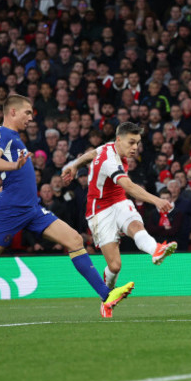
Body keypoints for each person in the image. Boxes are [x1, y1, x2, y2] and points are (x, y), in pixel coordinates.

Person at [0, 95, 135, 325]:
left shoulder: (12, 138)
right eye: (27, 113)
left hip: (30, 208)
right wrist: (12, 169)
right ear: (12, 112)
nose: (31, 117)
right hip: (12, 210)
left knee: (73, 240)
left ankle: (106, 295)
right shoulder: (3, 134)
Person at [60, 122, 176, 303]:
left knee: (136, 225)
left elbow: (91, 154)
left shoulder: (108, 147)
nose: (135, 147)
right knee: (115, 266)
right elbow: (128, 186)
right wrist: (157, 200)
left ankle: (156, 250)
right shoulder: (110, 161)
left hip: (119, 202)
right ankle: (106, 296)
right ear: (119, 140)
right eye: (131, 143)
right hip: (99, 211)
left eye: (137, 143)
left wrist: (75, 165)